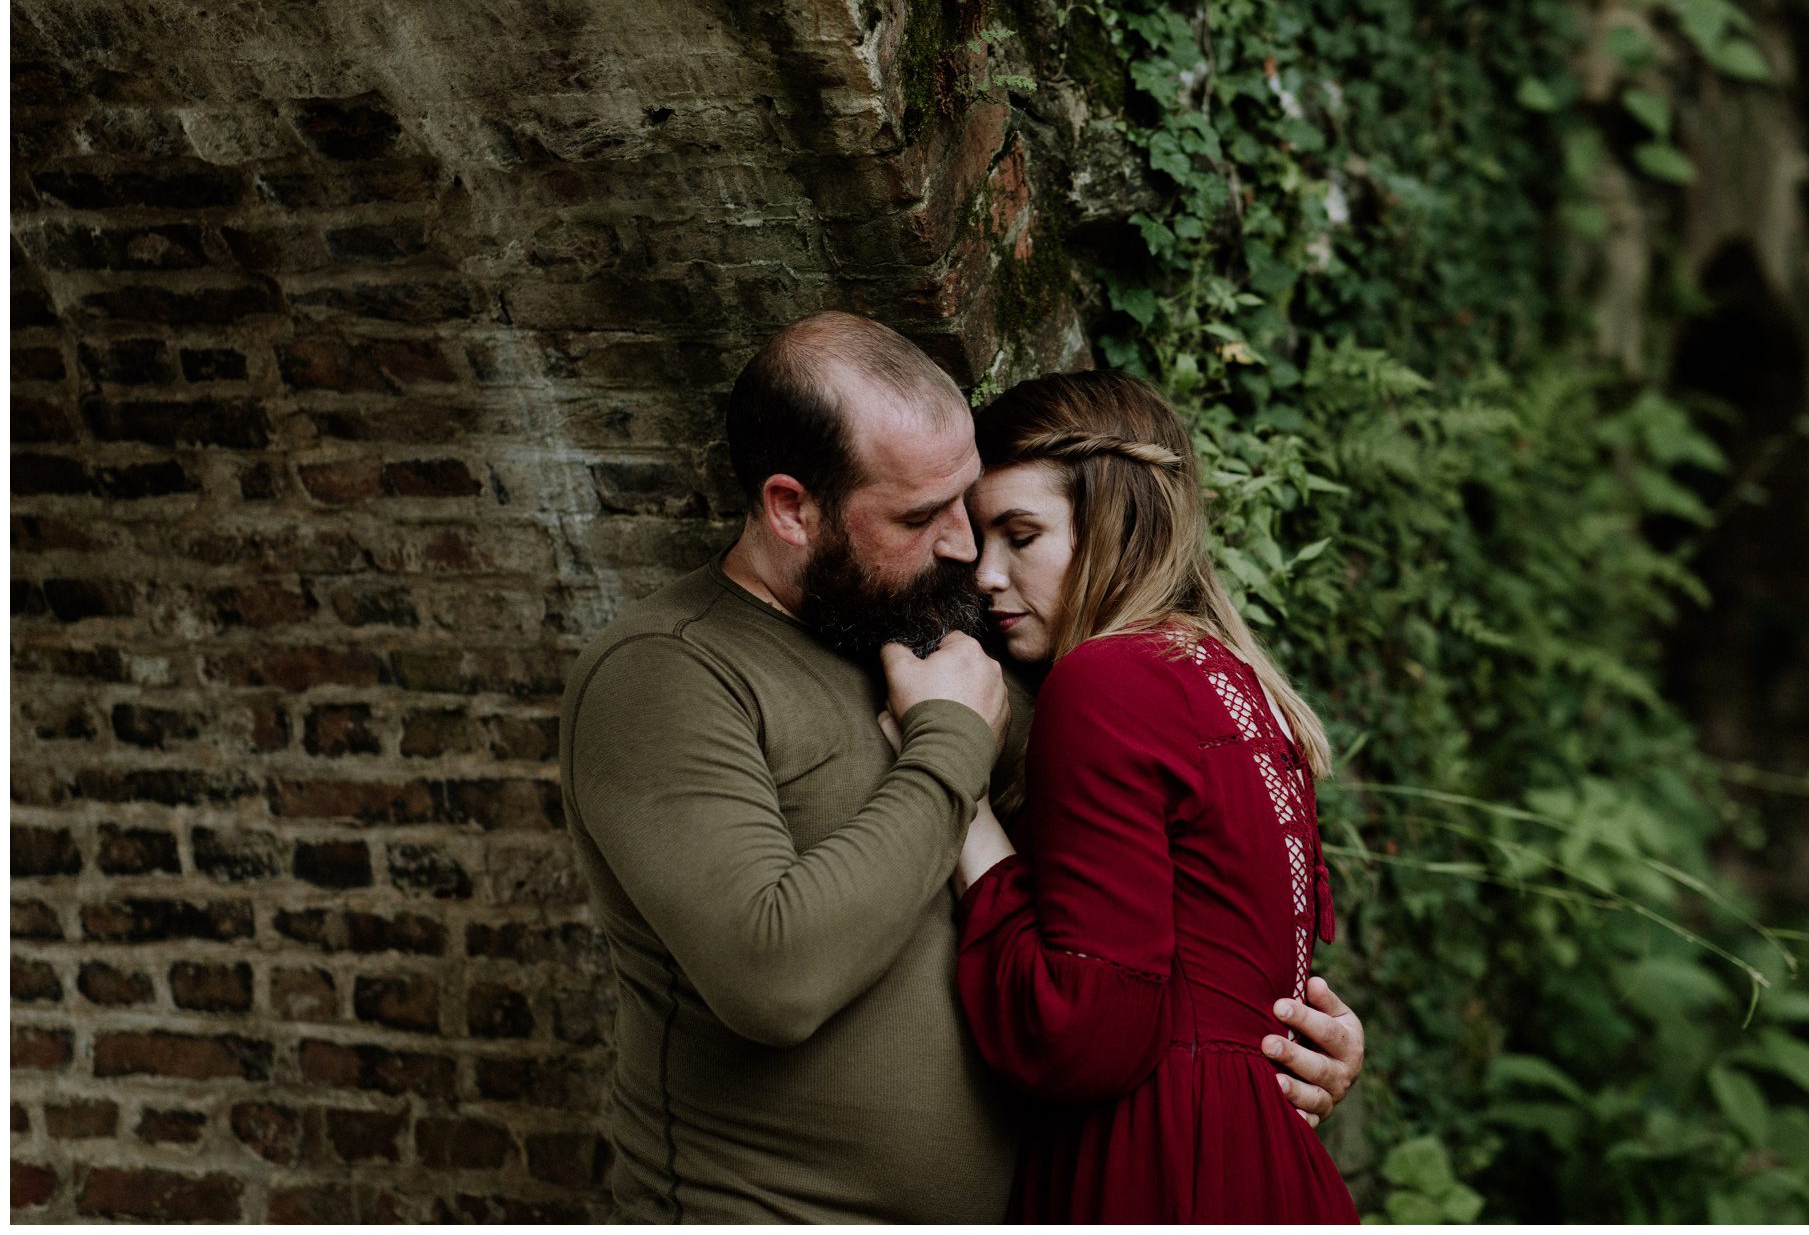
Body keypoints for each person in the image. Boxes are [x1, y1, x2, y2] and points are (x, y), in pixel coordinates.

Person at [559, 311, 1362, 1222]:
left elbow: (1125, 912)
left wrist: (1267, 1037)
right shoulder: (670, 671)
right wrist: (946, 747)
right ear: (793, 508)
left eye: (970, 505)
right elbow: (769, 979)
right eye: (919, 515)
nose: (963, 548)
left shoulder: (959, 635)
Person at [945, 369, 1362, 1221]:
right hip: (1262, 1162)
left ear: (1114, 526)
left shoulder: (1106, 678)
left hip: (1165, 1168)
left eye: (1020, 536)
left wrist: (958, 792)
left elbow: (1082, 1033)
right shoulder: (1231, 681)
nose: (985, 575)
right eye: (981, 538)